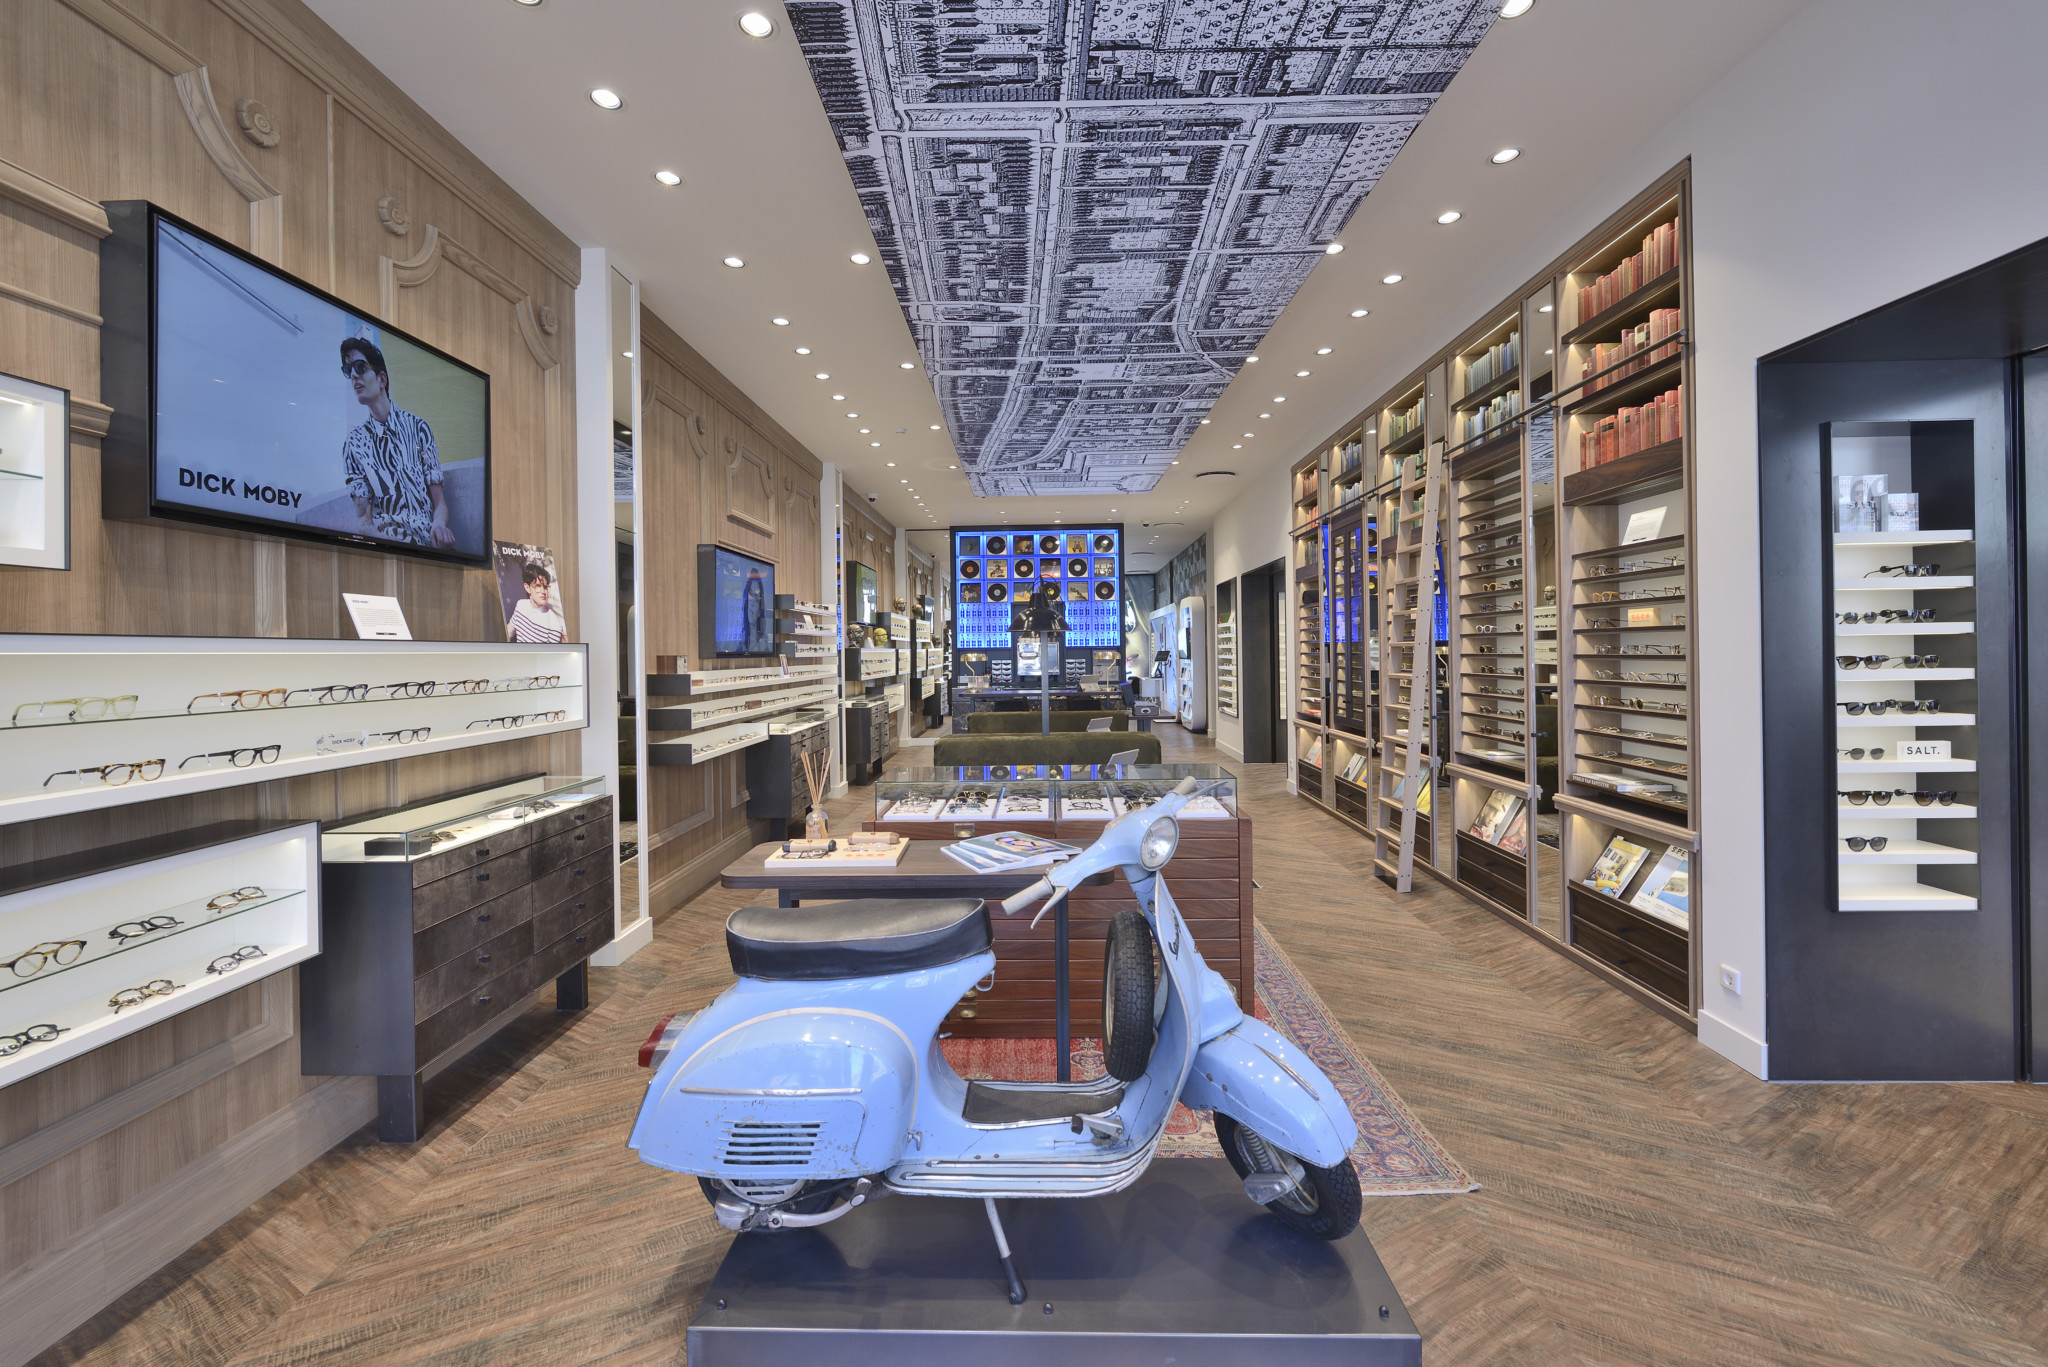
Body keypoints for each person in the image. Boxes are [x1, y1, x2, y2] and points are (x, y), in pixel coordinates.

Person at [339, 337, 455, 548]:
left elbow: (440, 504)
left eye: (360, 367)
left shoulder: (419, 427)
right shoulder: (354, 443)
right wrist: (385, 541)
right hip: (387, 548)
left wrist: (439, 524)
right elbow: (364, 520)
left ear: (382, 379)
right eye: (348, 370)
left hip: (428, 546)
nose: (353, 375)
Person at [507, 561, 566, 643]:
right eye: (538, 586)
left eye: (545, 587)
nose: (543, 591)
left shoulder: (553, 623)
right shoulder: (520, 606)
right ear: (527, 588)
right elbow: (509, 632)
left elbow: (552, 651)